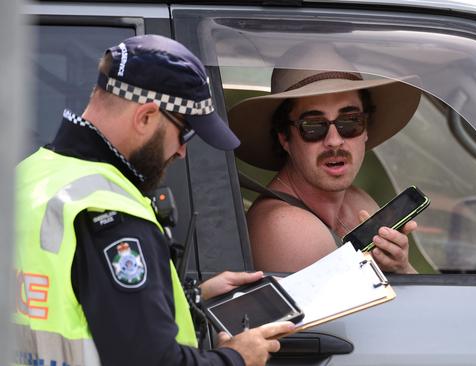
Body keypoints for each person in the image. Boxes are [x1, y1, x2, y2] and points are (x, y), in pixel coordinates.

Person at [14, 35, 293, 366]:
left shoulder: (30, 176)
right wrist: (237, 358)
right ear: (145, 117)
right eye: (185, 131)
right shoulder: (114, 215)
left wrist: (190, 297)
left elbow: (76, 301)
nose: (182, 150)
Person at [229, 44, 422, 273]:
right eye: (313, 126)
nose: (334, 140)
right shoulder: (287, 226)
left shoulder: (357, 202)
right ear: (285, 138)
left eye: (349, 122)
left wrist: (401, 267)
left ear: (366, 129)